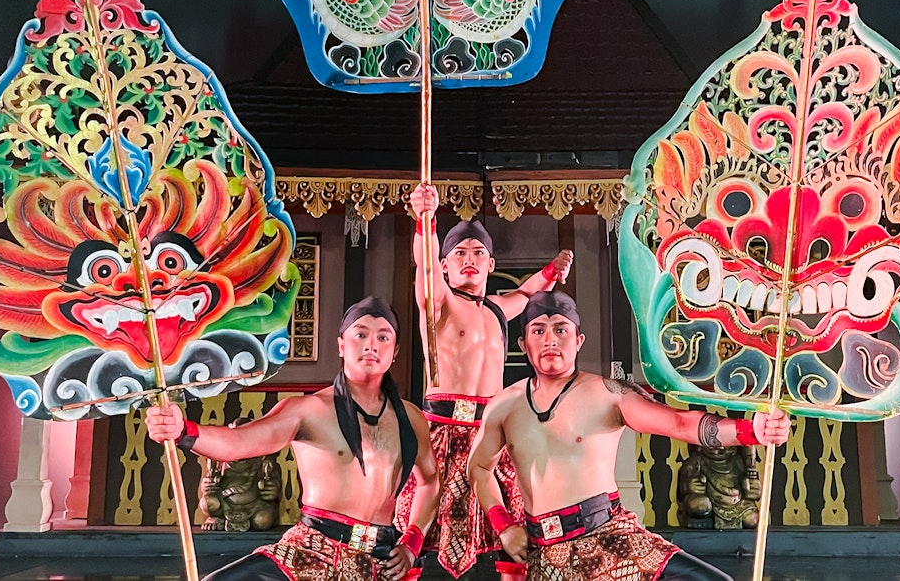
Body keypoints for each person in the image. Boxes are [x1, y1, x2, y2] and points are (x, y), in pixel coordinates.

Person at [467, 291, 792, 581]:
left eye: (561, 329)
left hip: (609, 538)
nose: (550, 339)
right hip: (544, 554)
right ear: (523, 343)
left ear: (578, 340)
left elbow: (680, 423)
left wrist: (752, 430)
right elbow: (478, 468)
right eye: (539, 330)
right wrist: (504, 525)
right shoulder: (505, 406)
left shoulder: (608, 394)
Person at [144, 296, 441, 581]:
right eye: (360, 335)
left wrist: (411, 543)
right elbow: (240, 443)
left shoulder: (412, 419)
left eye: (383, 337)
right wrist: (183, 431)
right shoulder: (309, 410)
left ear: (395, 350)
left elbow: (430, 482)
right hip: (313, 551)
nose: (371, 345)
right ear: (341, 345)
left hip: (382, 560)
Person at [395, 182, 573, 579]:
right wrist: (425, 220)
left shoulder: (497, 308)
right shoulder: (437, 301)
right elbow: (423, 265)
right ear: (445, 265)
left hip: (492, 429)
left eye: (478, 253)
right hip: (441, 427)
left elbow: (529, 293)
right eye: (458, 253)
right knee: (418, 528)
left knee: (519, 524)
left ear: (491, 264)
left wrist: (552, 270)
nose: (469, 259)